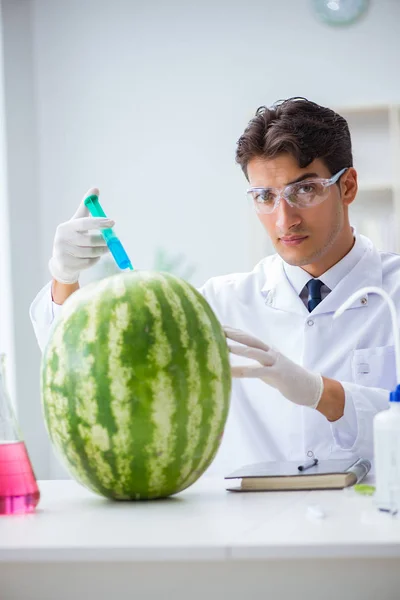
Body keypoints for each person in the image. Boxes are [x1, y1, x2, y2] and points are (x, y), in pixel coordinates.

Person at [30, 97, 400, 474]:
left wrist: (326, 395)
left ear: (348, 186)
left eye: (304, 190)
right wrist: (64, 278)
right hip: (253, 527)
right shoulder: (219, 304)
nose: (284, 219)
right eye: (265, 197)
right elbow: (90, 368)